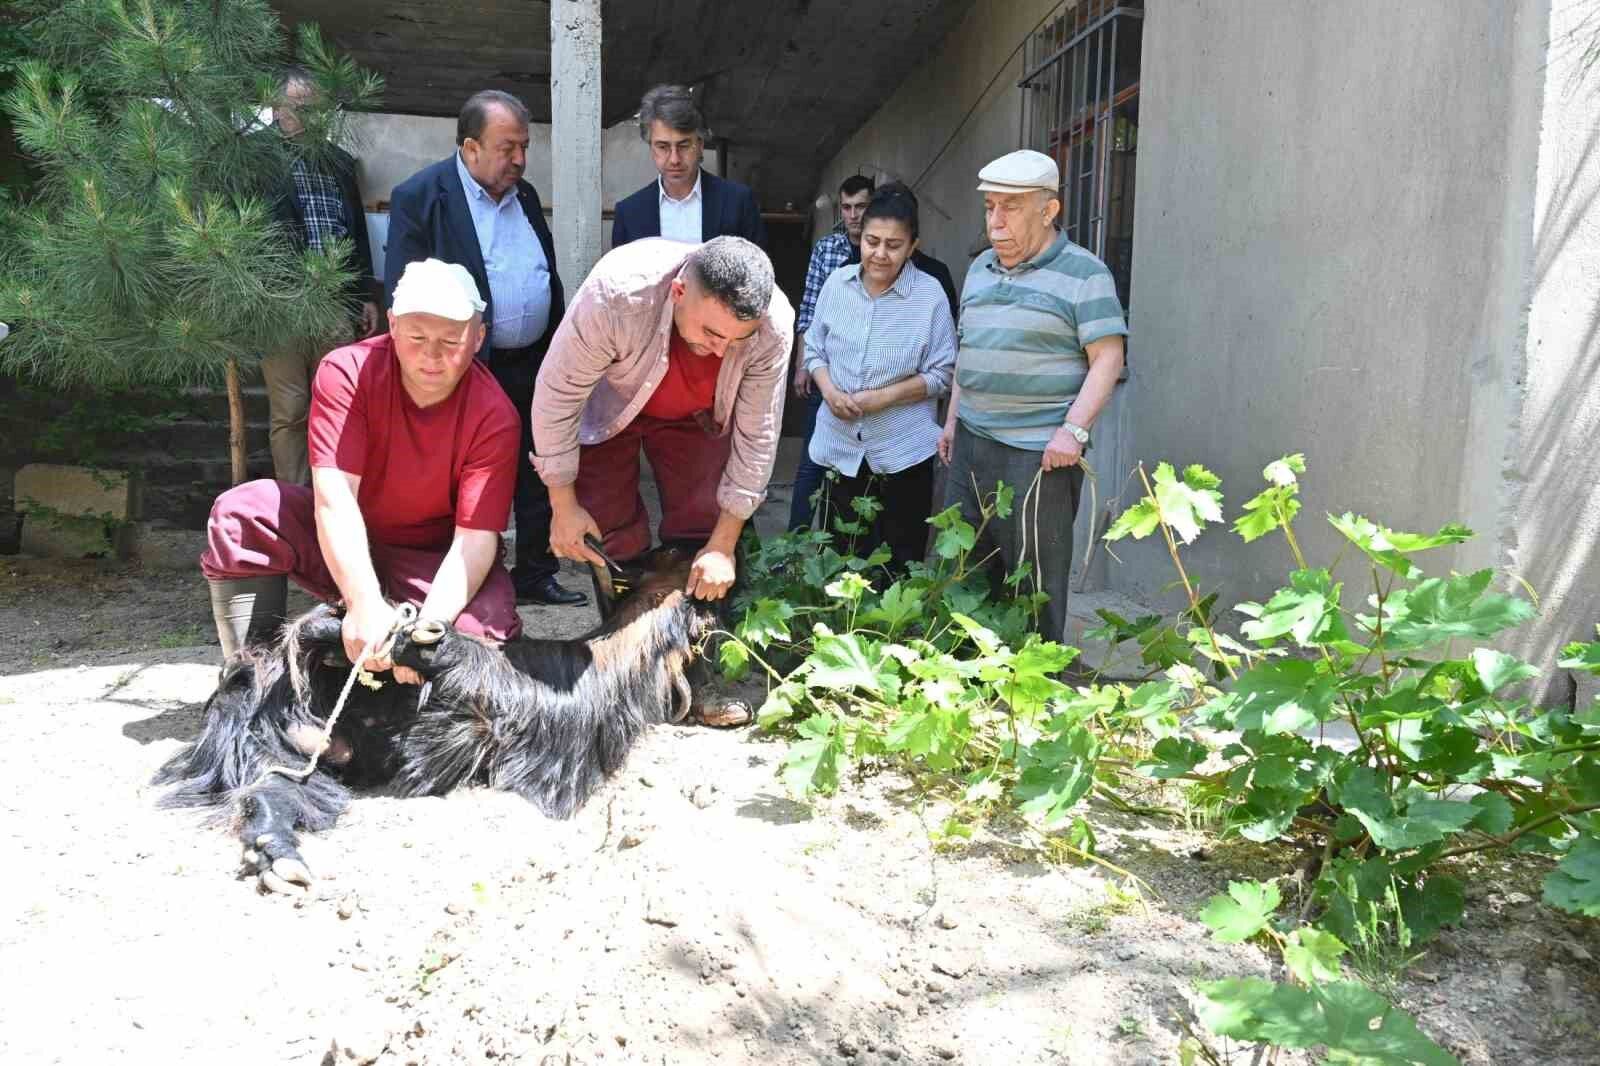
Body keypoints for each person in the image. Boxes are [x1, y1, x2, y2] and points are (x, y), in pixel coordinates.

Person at [201, 259, 524, 685]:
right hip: (349, 536)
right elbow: (335, 499)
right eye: (417, 337)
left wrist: (424, 633)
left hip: (434, 556)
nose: (432, 355)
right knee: (244, 511)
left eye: (451, 341)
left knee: (481, 635)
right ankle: (250, 683)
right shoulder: (346, 372)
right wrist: (363, 601)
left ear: (478, 338)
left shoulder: (495, 414)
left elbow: (475, 540)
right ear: (392, 325)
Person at [384, 90, 582, 607]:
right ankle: (467, 578)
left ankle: (536, 571)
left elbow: (541, 271)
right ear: (470, 148)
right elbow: (402, 291)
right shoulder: (421, 196)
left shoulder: (525, 195)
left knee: (538, 466)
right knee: (469, 475)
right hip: (467, 367)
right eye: (506, 147)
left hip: (533, 360)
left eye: (525, 147)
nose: (519, 159)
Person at [937, 149, 1128, 643]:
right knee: (961, 569)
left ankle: (1035, 675)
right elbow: (969, 350)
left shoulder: (1085, 274)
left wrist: (1073, 432)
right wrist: (953, 421)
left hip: (1038, 452)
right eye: (990, 207)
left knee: (1034, 579)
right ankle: (963, 670)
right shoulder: (980, 268)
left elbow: (1108, 358)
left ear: (1049, 210)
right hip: (971, 443)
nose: (995, 222)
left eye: (1011, 207)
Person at [788, 176, 960, 531]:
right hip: (839, 448)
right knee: (839, 552)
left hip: (904, 452)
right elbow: (815, 350)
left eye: (894, 245)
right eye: (872, 241)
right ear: (859, 237)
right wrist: (830, 392)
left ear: (912, 247)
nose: (880, 254)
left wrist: (882, 398)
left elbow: (943, 373)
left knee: (898, 556)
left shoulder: (930, 295)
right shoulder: (837, 284)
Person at [263, 66, 381, 486]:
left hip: (334, 301)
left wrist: (365, 294)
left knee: (335, 405)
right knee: (290, 410)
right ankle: (295, 502)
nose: (310, 117)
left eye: (317, 109)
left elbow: (357, 231)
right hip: (281, 304)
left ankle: (331, 501)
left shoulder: (339, 163)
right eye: (300, 107)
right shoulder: (256, 158)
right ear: (276, 107)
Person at [611, 85, 767, 249]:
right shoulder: (628, 213)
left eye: (684, 145)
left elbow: (758, 264)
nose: (674, 159)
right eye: (663, 147)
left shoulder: (739, 203)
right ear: (651, 146)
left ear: (700, 144)